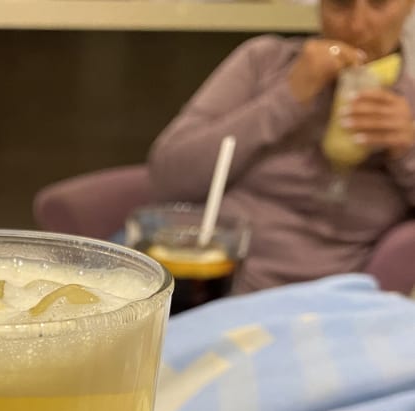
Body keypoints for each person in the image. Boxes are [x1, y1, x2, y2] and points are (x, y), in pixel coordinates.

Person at [147, 0, 415, 294]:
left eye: (379, 3)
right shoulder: (264, 61)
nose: (357, 25)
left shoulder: (410, 104)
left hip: (320, 299)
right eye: (340, 4)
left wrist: (407, 150)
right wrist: (288, 97)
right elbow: (167, 176)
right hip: (204, 275)